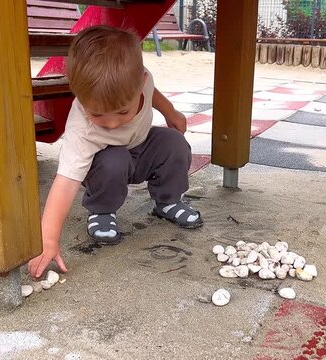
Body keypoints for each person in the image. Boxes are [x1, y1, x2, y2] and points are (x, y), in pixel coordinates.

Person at [28, 25, 202, 278]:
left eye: (122, 111)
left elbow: (153, 93)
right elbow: (65, 183)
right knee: (113, 159)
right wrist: (48, 238)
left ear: (140, 82)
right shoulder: (81, 129)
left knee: (173, 142)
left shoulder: (143, 80)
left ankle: (168, 201)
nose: (111, 123)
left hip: (141, 148)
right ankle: (102, 211)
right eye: (97, 114)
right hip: (105, 165)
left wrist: (171, 112)